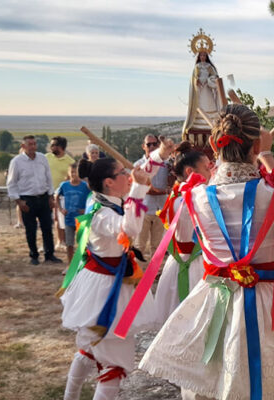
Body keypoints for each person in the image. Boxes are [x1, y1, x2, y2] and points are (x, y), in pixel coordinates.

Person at [140, 104, 274, 400]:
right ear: (256, 144)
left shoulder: (196, 196)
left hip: (216, 299)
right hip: (271, 305)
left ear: (216, 144)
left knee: (215, 381)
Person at [59, 151, 171, 400]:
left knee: (89, 348)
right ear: (108, 182)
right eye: (122, 173)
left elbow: (139, 177)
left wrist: (159, 155)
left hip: (99, 283)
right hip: (106, 291)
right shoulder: (102, 213)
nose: (128, 176)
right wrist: (140, 189)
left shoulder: (98, 199)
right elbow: (129, 229)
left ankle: (70, 397)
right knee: (114, 366)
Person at [150, 142, 211, 329]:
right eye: (207, 168)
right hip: (196, 265)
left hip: (176, 263)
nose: (211, 172)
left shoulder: (176, 197)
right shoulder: (195, 199)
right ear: (190, 172)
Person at [7, 135, 62, 265]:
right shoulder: (17, 161)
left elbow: (48, 177)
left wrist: (50, 197)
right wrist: (19, 201)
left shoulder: (42, 158)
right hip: (27, 199)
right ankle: (34, 255)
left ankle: (50, 254)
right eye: (30, 144)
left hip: (43, 198)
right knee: (30, 229)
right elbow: (11, 183)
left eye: (34, 144)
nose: (33, 147)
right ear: (23, 146)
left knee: (47, 228)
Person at [133, 134, 170, 258]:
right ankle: (136, 276)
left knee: (158, 247)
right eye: (149, 144)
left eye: (155, 144)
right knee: (139, 246)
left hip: (160, 210)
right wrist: (164, 192)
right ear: (143, 146)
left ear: (159, 146)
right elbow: (144, 188)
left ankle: (156, 274)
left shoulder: (167, 164)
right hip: (144, 210)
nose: (152, 146)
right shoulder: (138, 165)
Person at [182, 50, 223, 146]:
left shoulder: (209, 67)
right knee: (199, 105)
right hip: (199, 90)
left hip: (207, 89)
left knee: (209, 104)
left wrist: (210, 80)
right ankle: (198, 122)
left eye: (204, 55)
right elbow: (193, 79)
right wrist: (197, 81)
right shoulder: (196, 67)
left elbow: (215, 77)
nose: (203, 57)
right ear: (199, 56)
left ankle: (211, 121)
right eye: (201, 55)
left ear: (207, 56)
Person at [55, 164, 91, 265]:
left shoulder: (85, 186)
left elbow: (92, 197)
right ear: (68, 173)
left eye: (76, 172)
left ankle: (83, 263)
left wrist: (86, 210)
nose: (74, 174)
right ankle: (70, 264)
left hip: (82, 219)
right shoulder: (64, 185)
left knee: (83, 243)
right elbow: (56, 196)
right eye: (72, 172)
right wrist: (61, 209)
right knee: (69, 243)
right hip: (69, 219)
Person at [46, 136, 76, 251]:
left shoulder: (70, 161)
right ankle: (54, 242)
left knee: (60, 218)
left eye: (53, 145)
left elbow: (72, 177)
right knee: (51, 219)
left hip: (63, 195)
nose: (51, 147)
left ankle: (62, 240)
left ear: (60, 147)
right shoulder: (46, 157)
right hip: (47, 193)